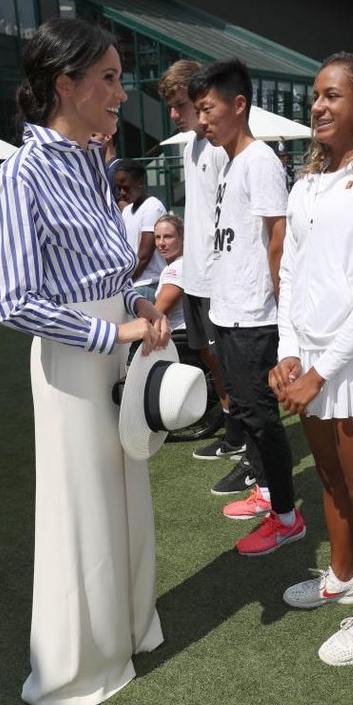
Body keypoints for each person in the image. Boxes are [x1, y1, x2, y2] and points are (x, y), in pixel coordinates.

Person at [0, 17, 169, 705]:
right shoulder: (18, 175)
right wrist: (110, 329)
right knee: (80, 507)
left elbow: (107, 268)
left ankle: (125, 631)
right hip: (70, 362)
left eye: (121, 77)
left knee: (126, 493)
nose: (122, 93)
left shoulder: (93, 163)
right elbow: (13, 299)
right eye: (110, 78)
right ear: (66, 84)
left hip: (115, 344)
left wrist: (140, 302)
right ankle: (74, 668)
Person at [269, 53, 353, 664]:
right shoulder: (305, 184)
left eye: (332, 96)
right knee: (329, 481)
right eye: (315, 96)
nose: (318, 106)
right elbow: (290, 273)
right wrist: (290, 354)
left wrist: (321, 372)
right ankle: (341, 576)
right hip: (312, 365)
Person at [188, 58, 305, 556]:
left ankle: (287, 516)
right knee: (244, 409)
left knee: (261, 417)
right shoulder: (232, 162)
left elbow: (279, 236)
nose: (202, 120)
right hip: (229, 308)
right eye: (198, 110)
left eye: (208, 109)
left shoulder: (258, 161)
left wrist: (282, 308)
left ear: (239, 105)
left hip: (256, 314)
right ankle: (265, 492)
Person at [158, 61, 247, 474]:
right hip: (195, 275)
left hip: (216, 279)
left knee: (229, 361)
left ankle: (246, 438)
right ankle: (233, 431)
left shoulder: (219, 148)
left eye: (181, 105)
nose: (174, 114)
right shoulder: (193, 146)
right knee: (208, 356)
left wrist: (219, 274)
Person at [117, 159, 167, 300]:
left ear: (139, 182)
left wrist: (126, 282)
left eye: (126, 187)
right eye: (118, 188)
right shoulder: (126, 210)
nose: (122, 192)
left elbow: (144, 256)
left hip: (148, 284)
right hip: (133, 285)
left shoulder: (152, 207)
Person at [153, 213, 186, 332]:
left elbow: (158, 312)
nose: (161, 243)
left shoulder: (177, 267)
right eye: (157, 237)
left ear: (182, 238)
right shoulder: (175, 265)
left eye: (168, 237)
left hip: (178, 336)